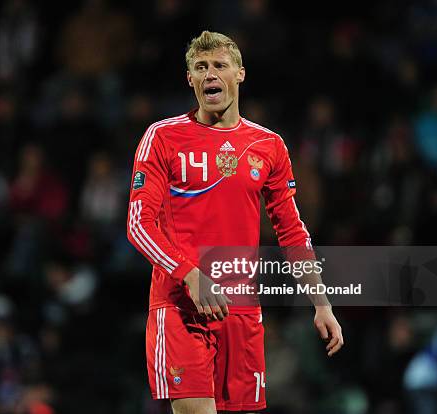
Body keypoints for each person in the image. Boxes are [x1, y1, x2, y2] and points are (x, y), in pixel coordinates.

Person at [126, 31, 344, 414]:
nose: (210, 74)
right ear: (190, 80)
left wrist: (321, 302)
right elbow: (139, 224)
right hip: (181, 308)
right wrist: (191, 275)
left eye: (219, 65)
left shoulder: (269, 145)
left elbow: (292, 230)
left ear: (239, 74)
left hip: (242, 311)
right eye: (201, 67)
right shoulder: (163, 137)